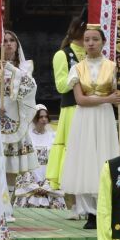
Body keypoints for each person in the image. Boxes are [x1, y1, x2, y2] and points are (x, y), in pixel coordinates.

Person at [57, 25, 120, 222]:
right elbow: (80, 100)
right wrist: (107, 99)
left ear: (103, 42)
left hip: (104, 117)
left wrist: (115, 98)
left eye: (95, 39)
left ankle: (104, 205)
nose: (91, 43)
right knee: (85, 157)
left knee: (103, 154)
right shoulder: (77, 68)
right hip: (85, 116)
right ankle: (86, 208)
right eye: (87, 40)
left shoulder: (113, 67)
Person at [43, 12, 89, 201]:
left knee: (88, 153)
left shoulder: (94, 56)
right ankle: (73, 201)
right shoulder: (62, 55)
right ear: (78, 30)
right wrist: (77, 74)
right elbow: (61, 86)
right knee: (73, 153)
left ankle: (88, 199)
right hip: (72, 110)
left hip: (92, 109)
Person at [0, 30, 41, 192]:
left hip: (15, 118)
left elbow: (30, 86)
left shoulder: (24, 67)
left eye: (11, 41)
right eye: (5, 41)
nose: (8, 43)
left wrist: (9, 68)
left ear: (17, 45)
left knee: (12, 165)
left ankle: (9, 202)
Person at [14, 105, 61, 208]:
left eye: (45, 116)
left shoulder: (53, 136)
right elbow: (23, 161)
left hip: (47, 175)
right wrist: (33, 185)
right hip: (30, 176)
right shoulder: (26, 137)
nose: (44, 119)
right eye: (40, 117)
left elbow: (56, 161)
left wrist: (46, 185)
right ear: (35, 119)